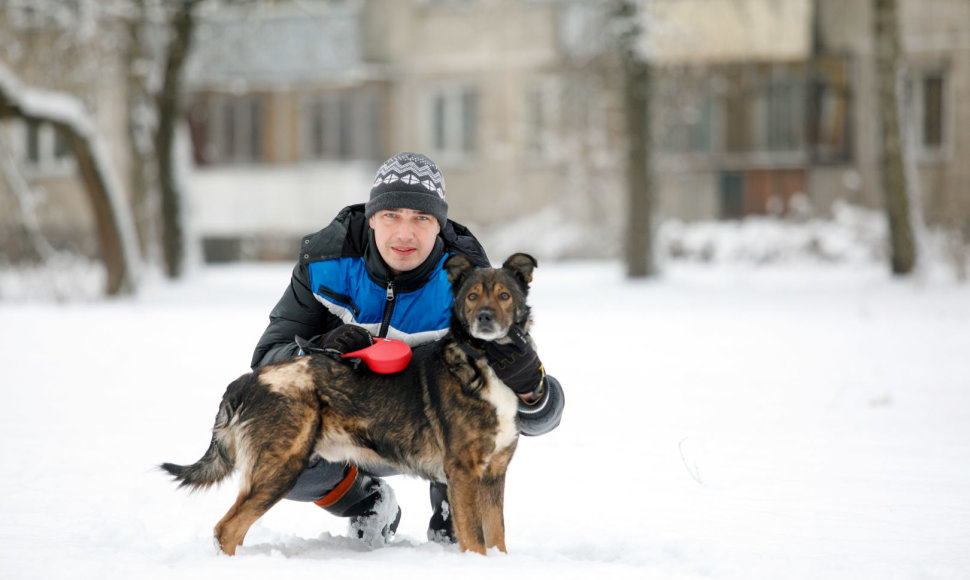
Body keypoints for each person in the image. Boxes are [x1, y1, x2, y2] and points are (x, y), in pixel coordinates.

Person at [251, 152, 564, 546]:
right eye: (392, 215)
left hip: (430, 437)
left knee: (473, 422)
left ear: (439, 225)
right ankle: (365, 500)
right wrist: (319, 354)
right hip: (344, 428)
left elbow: (540, 417)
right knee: (275, 444)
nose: (404, 233)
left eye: (421, 218)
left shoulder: (468, 285)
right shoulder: (326, 264)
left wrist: (530, 387)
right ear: (371, 218)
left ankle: (453, 506)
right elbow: (266, 362)